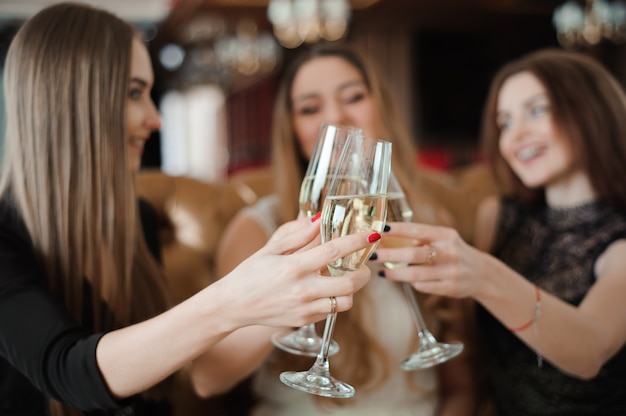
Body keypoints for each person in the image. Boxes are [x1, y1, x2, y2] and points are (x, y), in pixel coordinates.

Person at [0, 3, 377, 415]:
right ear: (69, 100)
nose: (155, 118)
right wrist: (234, 300)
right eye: (133, 93)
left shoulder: (137, 219)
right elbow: (69, 371)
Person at [192, 43, 476, 415]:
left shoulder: (429, 223)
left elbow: (461, 387)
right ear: (293, 129)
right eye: (311, 108)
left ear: (382, 108)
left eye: (353, 97)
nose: (337, 116)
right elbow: (208, 379)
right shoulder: (258, 230)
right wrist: (286, 289)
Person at [372, 48, 626, 415]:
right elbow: (473, 353)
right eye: (504, 122)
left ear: (592, 112)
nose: (516, 134)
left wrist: (483, 275)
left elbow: (590, 352)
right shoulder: (498, 215)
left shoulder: (618, 240)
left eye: (537, 110)